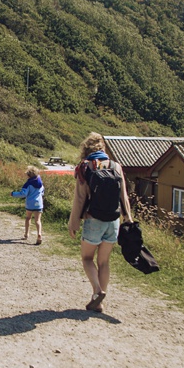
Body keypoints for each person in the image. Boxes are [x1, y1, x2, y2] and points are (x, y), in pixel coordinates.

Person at [67, 132, 133, 313]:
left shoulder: (86, 167)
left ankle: (97, 291)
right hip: (113, 220)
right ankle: (100, 303)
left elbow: (80, 199)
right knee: (104, 262)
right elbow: (124, 196)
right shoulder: (116, 166)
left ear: (86, 148)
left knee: (87, 258)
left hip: (93, 219)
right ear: (103, 148)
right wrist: (128, 219)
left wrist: (73, 223)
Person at [11, 166, 45, 245]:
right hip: (39, 203)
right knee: (37, 220)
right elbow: (42, 192)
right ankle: (39, 234)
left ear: (29, 175)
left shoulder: (28, 184)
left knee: (28, 218)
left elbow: (23, 194)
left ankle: (26, 234)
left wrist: (13, 194)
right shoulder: (40, 183)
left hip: (30, 203)